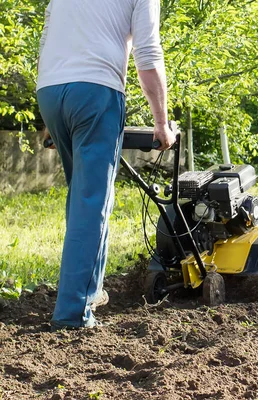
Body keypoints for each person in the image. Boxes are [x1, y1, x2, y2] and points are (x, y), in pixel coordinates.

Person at [37, 0, 176, 330]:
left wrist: (53, 116)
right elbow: (148, 53)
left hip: (50, 91)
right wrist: (161, 122)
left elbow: (48, 40)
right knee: (92, 202)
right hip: (95, 90)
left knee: (82, 196)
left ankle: (92, 289)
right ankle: (74, 313)